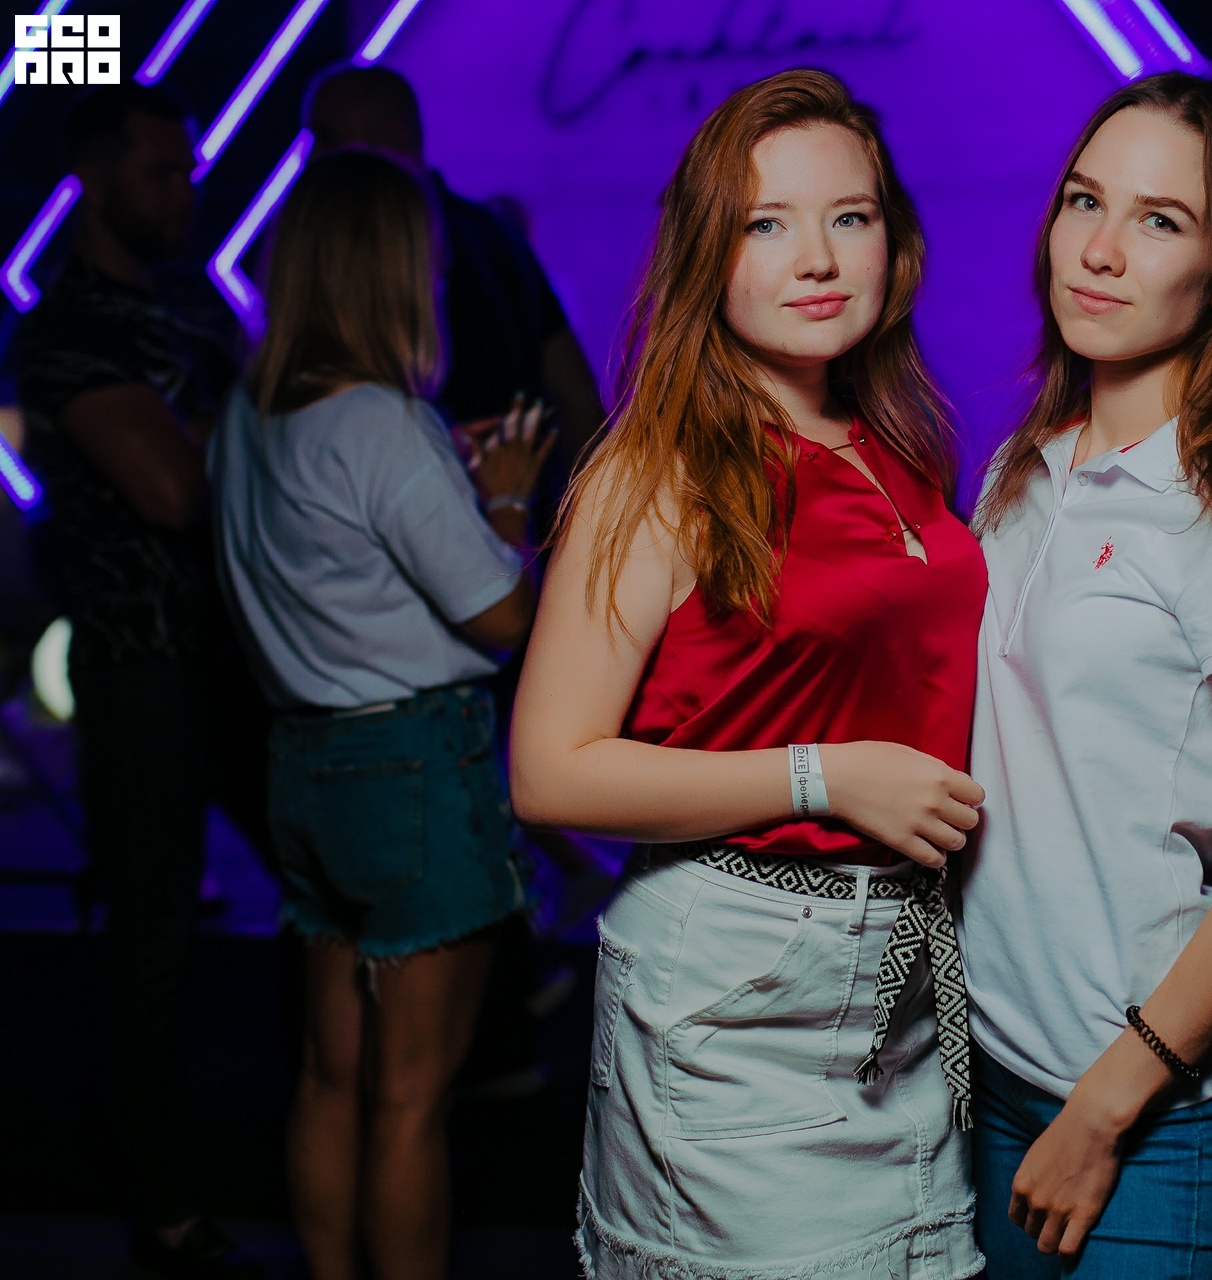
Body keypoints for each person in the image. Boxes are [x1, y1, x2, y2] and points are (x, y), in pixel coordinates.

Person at [509, 69, 988, 1279]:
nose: (818, 257)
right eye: (767, 223)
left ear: (893, 241)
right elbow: (550, 770)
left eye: (850, 216)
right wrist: (824, 776)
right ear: (708, 256)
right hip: (740, 977)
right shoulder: (658, 470)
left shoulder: (897, 447)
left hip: (900, 980)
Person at [962, 72, 1212, 1278]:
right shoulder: (1022, 468)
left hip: (1145, 1114)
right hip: (990, 1080)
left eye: (1161, 220)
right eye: (1086, 201)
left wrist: (1105, 1107)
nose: (1101, 250)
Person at [206, 149, 551, 1280]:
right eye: (429, 259)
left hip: (304, 767)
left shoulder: (248, 416)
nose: (438, 277)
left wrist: (449, 482)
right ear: (392, 269)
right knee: (412, 1099)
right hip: (411, 771)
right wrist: (505, 498)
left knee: (329, 1076)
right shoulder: (383, 424)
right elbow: (504, 616)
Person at [301, 62, 615, 1099]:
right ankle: (507, 1011)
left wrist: (551, 523)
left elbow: (568, 395)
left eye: (330, 147)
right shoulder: (366, 399)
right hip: (421, 651)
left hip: (426, 637)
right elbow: (572, 391)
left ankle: (503, 1020)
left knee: (366, 1080)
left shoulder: (348, 386)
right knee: (386, 1080)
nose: (315, 169)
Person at [13, 84, 271, 1279]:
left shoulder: (192, 306)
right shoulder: (66, 327)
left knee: (325, 892)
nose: (186, 192)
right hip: (138, 664)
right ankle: (167, 1208)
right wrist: (253, 436)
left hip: (239, 653)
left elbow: (259, 452)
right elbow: (175, 491)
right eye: (163, 172)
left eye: (189, 170)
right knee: (154, 939)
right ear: (97, 176)